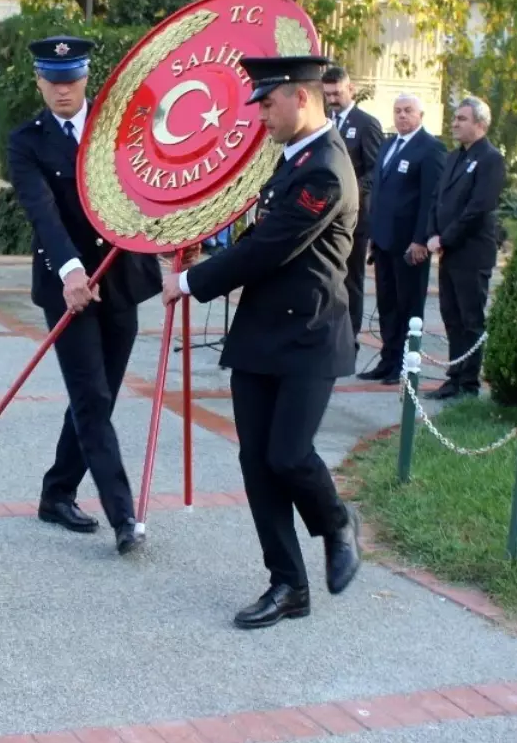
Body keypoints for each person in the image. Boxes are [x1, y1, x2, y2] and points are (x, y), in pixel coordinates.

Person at [162, 54, 362, 629]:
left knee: (289, 455)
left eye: (268, 103)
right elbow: (254, 235)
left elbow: (271, 248)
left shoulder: (325, 169)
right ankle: (288, 584)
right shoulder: (292, 161)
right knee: (257, 463)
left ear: (301, 98)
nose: (260, 116)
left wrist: (189, 282)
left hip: (308, 337)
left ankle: (336, 522)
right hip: (261, 337)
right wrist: (207, 253)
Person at [8, 36, 163, 555]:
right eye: (51, 81)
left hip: (120, 279)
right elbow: (43, 213)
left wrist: (182, 233)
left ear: (86, 78)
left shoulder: (118, 127)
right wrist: (71, 271)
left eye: (70, 79)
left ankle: (57, 492)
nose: (61, 90)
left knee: (99, 397)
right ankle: (124, 516)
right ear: (39, 82)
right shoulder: (26, 142)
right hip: (67, 286)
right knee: (92, 399)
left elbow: (153, 184)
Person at [358, 94, 446, 385]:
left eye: (408, 111)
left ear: (421, 115)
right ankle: (388, 359)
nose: (402, 116)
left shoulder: (430, 149)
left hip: (410, 244)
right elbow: (381, 194)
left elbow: (430, 200)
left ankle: (406, 364)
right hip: (384, 241)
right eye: (397, 111)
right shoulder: (388, 145)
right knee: (387, 304)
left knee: (408, 306)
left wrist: (421, 239)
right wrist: (373, 235)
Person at [426, 96, 506, 400]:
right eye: (455, 118)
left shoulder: (490, 159)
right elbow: (438, 199)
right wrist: (432, 233)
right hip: (449, 252)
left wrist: (444, 238)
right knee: (452, 316)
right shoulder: (453, 157)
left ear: (480, 125)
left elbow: (478, 209)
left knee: (470, 318)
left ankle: (469, 383)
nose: (454, 123)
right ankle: (454, 377)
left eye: (462, 119)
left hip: (471, 252)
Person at [320, 65, 383, 356]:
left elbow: (375, 171)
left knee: (351, 280)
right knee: (326, 278)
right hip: (323, 217)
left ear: (351, 89)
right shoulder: (323, 122)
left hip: (354, 218)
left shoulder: (366, 123)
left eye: (337, 92)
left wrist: (349, 191)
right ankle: (329, 333)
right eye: (328, 93)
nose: (332, 98)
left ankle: (350, 339)